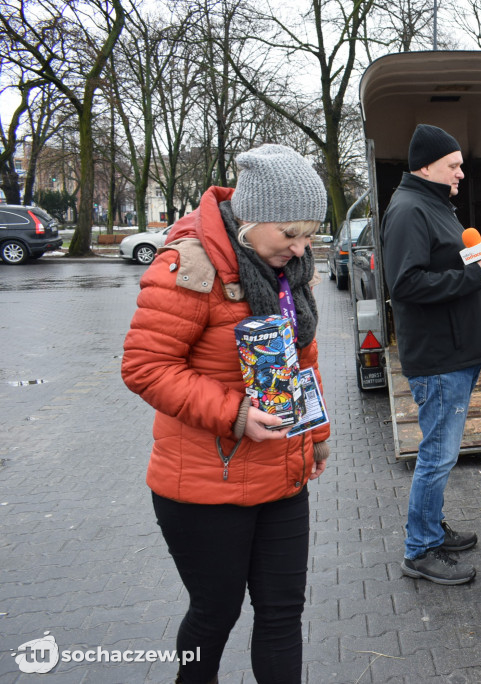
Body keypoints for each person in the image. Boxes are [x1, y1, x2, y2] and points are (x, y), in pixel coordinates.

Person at [121, 143, 330, 684]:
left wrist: (318, 432)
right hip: (204, 485)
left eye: (310, 233)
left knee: (283, 613)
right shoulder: (189, 265)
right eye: (290, 233)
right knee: (215, 615)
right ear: (249, 221)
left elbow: (301, 356)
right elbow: (146, 367)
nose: (303, 247)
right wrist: (236, 414)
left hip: (282, 474)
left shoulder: (291, 270)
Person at [381, 124, 481, 585]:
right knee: (437, 454)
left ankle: (431, 528)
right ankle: (419, 550)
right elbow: (407, 284)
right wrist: (474, 277)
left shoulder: (431, 205)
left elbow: (440, 265)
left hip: (455, 352)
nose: (460, 173)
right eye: (453, 165)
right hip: (440, 359)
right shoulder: (410, 210)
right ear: (426, 166)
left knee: (442, 452)